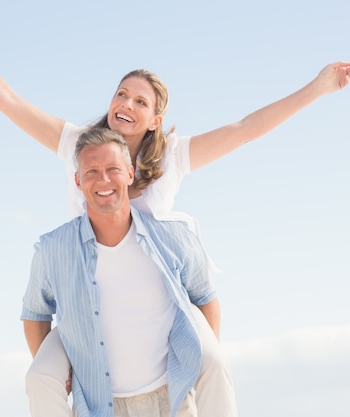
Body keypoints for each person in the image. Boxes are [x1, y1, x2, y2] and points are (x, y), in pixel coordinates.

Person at [0, 1, 350, 415]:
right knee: (41, 374)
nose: (126, 104)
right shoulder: (79, 144)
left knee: (214, 361)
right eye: (121, 94)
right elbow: (8, 102)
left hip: (156, 297)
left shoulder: (172, 155)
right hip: (87, 293)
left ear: (154, 120)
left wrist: (320, 86)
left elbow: (246, 129)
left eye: (140, 101)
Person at [22, 127, 217, 417]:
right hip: (99, 407)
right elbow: (36, 314)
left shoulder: (174, 237)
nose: (103, 180)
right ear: (77, 180)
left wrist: (196, 363)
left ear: (129, 173)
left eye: (112, 169)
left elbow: (205, 299)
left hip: (171, 401)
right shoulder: (53, 249)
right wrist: (63, 371)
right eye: (91, 172)